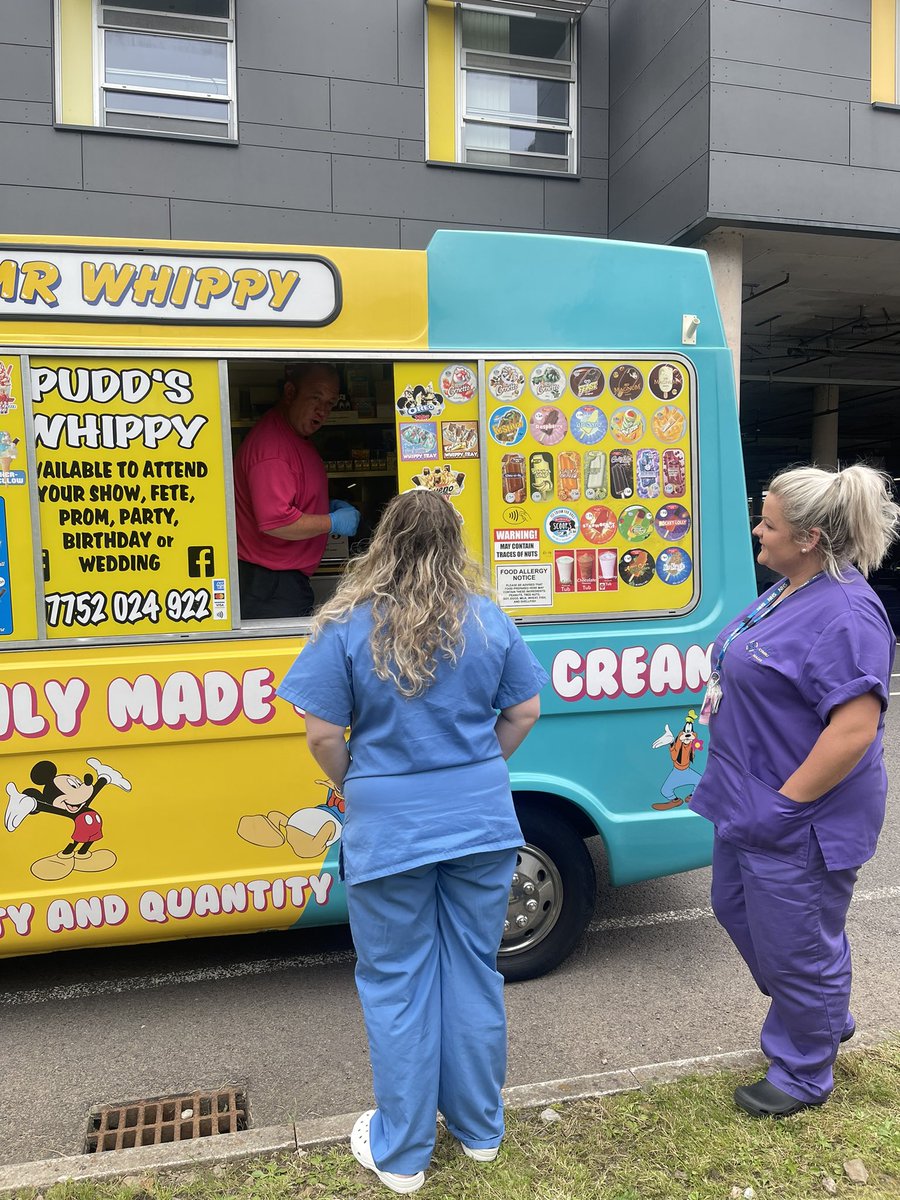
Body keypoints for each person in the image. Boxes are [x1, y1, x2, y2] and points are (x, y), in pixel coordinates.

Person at [276, 490, 547, 1193]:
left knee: (397, 982)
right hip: (480, 818)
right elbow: (524, 711)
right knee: (473, 969)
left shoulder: (344, 624)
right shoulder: (488, 619)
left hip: (388, 822)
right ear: (456, 545)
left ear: (381, 542)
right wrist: (479, 763)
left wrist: (357, 779)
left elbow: (321, 734)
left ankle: (402, 1155)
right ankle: (482, 1132)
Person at [690, 463, 899, 1118]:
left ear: (808, 537)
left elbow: (855, 728)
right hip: (749, 801)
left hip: (799, 815)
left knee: (797, 941)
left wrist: (786, 805)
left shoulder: (846, 614)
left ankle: (803, 1071)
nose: (758, 528)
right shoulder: (788, 588)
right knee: (735, 907)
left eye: (769, 522)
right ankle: (820, 1009)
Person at [233, 362, 360, 619]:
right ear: (290, 393)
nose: (322, 410)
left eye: (330, 403)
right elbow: (276, 523)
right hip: (270, 586)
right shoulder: (273, 449)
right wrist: (331, 522)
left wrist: (321, 502)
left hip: (280, 582)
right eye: (316, 398)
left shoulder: (293, 435)